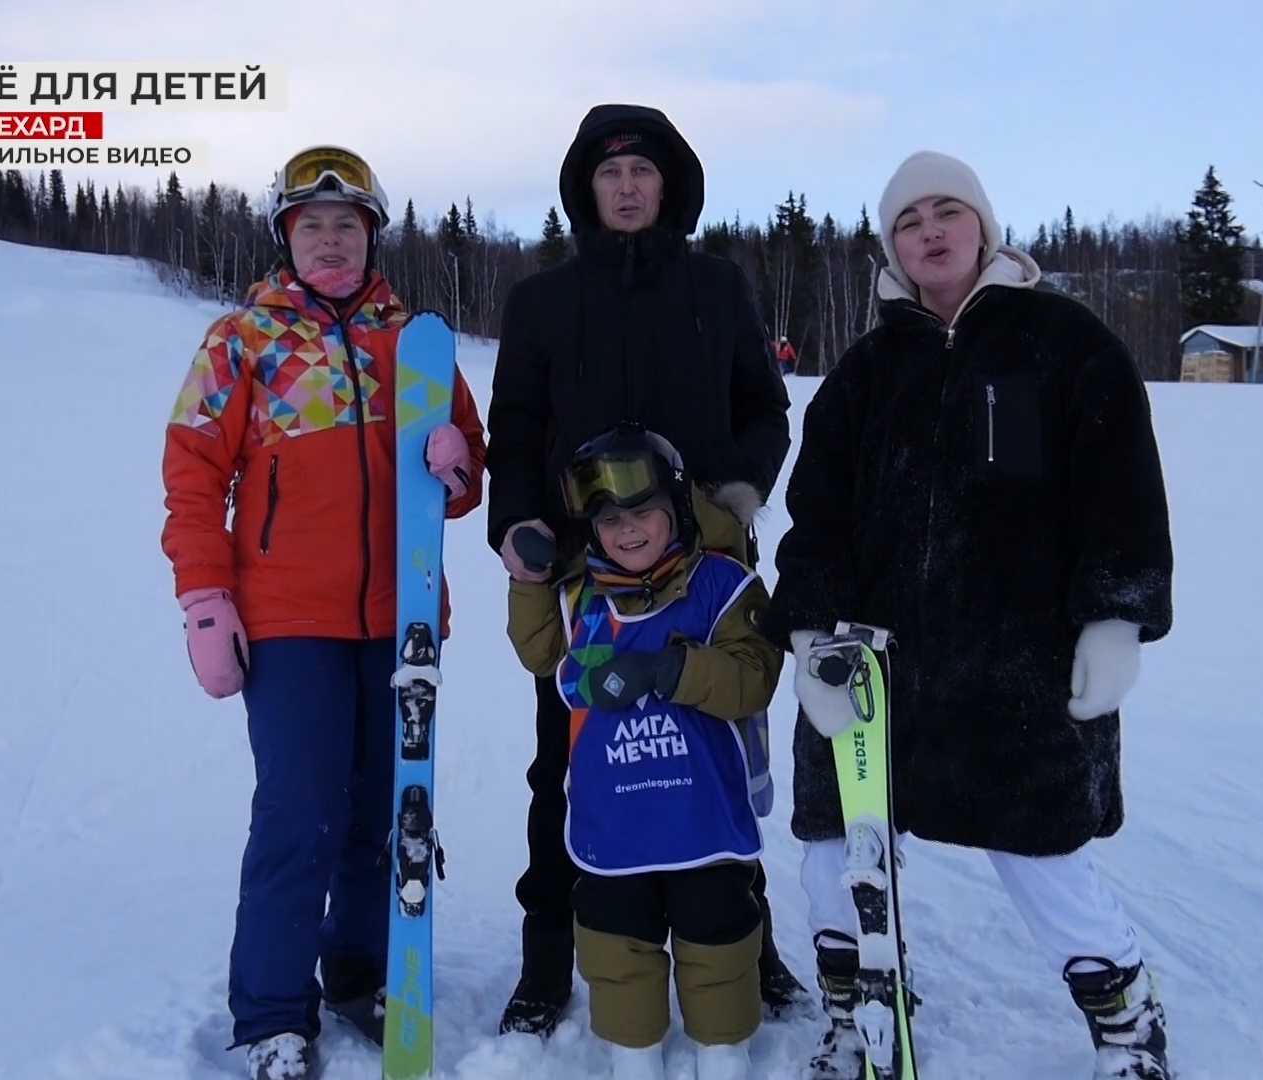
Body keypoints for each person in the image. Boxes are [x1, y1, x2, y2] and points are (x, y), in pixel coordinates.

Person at [764, 150, 1177, 1080]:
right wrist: (810, 632)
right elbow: (816, 518)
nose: (931, 231)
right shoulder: (865, 372)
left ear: (983, 226)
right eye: (909, 222)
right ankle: (861, 1013)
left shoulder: (1063, 343)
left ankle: (1127, 1026)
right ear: (892, 248)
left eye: (948, 211)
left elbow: (1122, 493)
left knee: (1044, 862)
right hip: (870, 669)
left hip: (1014, 667)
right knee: (836, 857)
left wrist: (1117, 618)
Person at [160, 145, 488, 1080]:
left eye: (348, 225)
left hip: (400, 618)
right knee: (299, 816)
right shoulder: (242, 341)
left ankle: (361, 973)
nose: (332, 241)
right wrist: (205, 596)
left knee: (387, 815)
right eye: (314, 226)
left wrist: (458, 459)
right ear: (285, 238)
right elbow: (192, 473)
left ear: (373, 237)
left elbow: (459, 487)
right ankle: (272, 1013)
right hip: (290, 620)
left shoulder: (413, 343)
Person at [484, 103, 801, 1036]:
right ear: (587, 188)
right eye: (610, 173)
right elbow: (516, 430)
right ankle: (549, 956)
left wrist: (738, 496)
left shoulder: (717, 287)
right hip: (593, 579)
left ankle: (748, 941)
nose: (626, 188)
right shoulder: (542, 301)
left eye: (643, 172)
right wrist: (521, 530)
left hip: (702, 570)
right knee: (570, 765)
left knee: (718, 758)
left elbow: (762, 408)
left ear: (670, 186)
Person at [506, 423, 782, 1080]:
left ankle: (723, 1055)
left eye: (643, 513)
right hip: (617, 823)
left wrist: (673, 672)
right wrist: (528, 577)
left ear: (678, 509)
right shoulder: (585, 598)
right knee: (614, 937)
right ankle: (636, 1059)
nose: (627, 530)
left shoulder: (720, 585)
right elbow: (541, 652)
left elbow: (754, 674)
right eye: (608, 520)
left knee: (718, 936)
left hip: (702, 820)